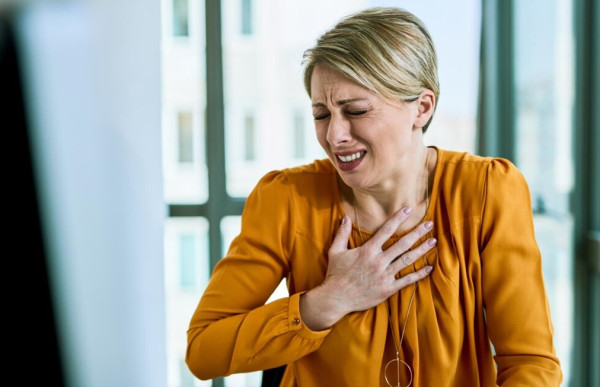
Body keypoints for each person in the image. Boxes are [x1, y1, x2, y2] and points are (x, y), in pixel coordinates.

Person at [186, 7, 563, 386]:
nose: (334, 136)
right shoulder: (286, 199)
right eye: (321, 114)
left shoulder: (486, 192)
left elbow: (531, 364)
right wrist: (329, 300)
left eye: (356, 111)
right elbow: (204, 350)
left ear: (422, 107)